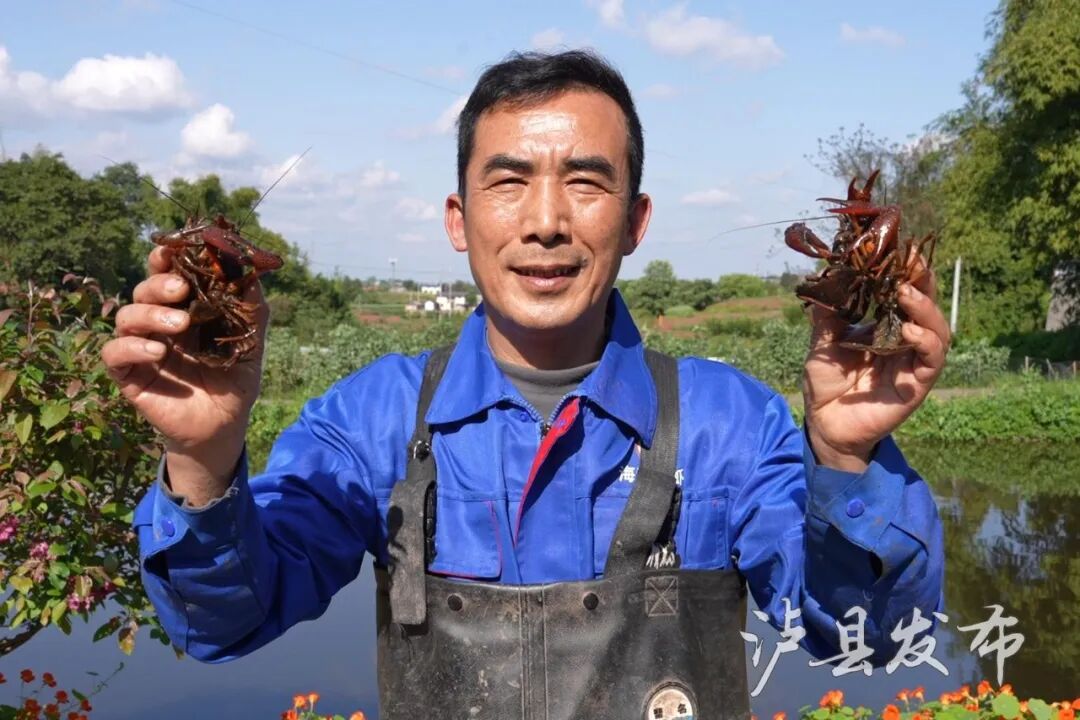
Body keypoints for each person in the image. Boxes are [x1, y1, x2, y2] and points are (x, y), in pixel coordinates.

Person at [103, 50, 949, 719]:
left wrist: (846, 459)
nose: (546, 221)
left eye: (586, 181)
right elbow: (223, 621)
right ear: (458, 218)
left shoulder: (732, 425)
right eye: (509, 181)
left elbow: (870, 640)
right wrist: (203, 462)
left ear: (635, 221)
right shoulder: (370, 421)